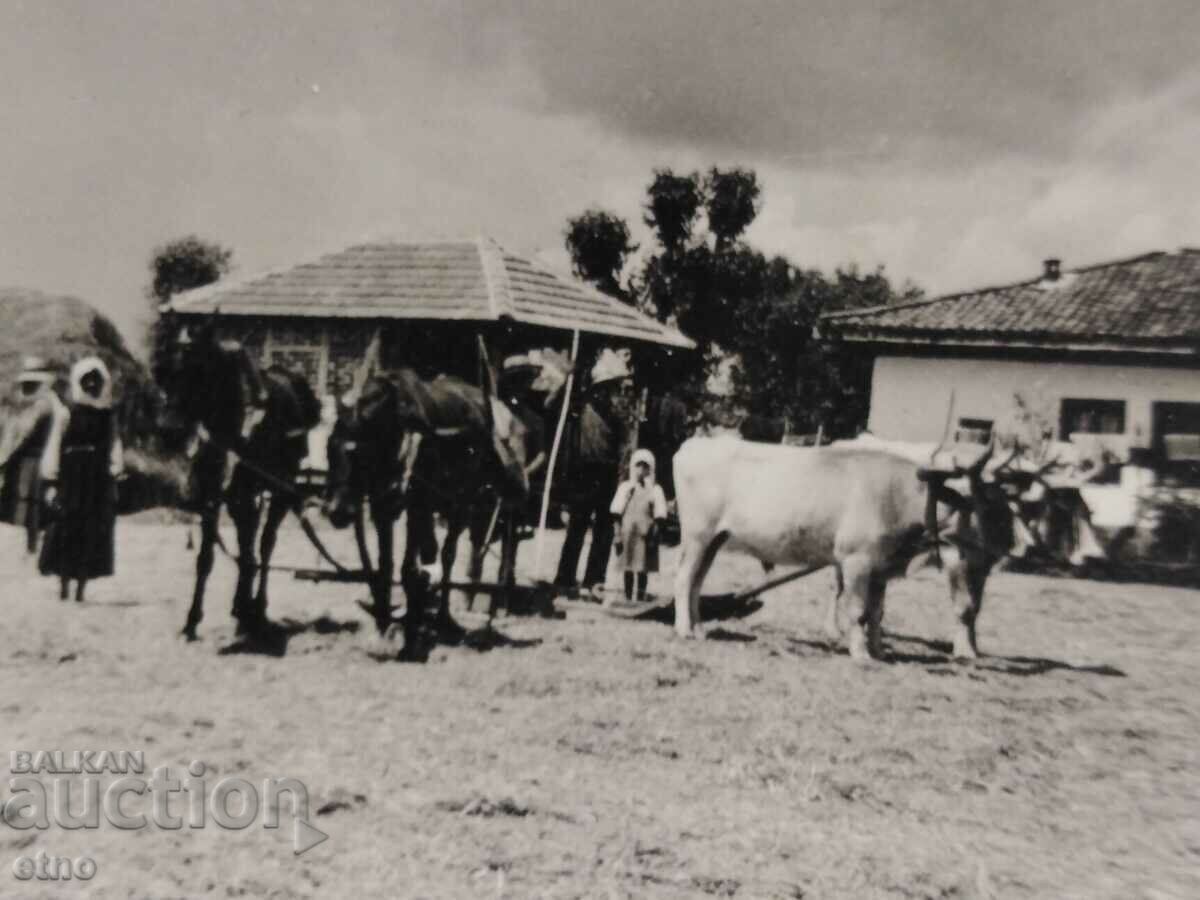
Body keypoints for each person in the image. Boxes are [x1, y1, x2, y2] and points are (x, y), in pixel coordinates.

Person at [38, 357, 124, 603]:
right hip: (71, 478)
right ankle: (64, 582)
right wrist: (52, 479)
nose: (91, 387)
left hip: (96, 480)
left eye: (96, 382)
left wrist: (114, 469)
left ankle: (81, 588)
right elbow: (55, 444)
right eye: (87, 382)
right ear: (79, 383)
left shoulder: (108, 416)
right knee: (67, 529)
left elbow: (114, 444)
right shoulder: (67, 413)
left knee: (91, 532)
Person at [554, 348, 631, 599]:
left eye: (614, 386)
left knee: (604, 530)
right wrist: (570, 376)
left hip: (607, 473)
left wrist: (622, 475)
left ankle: (594, 581)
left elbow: (623, 445)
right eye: (607, 386)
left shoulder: (617, 413)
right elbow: (554, 406)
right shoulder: (579, 406)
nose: (610, 391)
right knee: (577, 526)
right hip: (582, 472)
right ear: (596, 386)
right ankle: (565, 579)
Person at [0, 357, 65, 554]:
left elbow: (24, 434)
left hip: (33, 459)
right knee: (30, 501)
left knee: (29, 501)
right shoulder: (45, 403)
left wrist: (4, 458)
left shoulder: (42, 405)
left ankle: (29, 547)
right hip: (34, 458)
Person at [610, 448, 668, 602]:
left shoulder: (655, 490)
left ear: (651, 468)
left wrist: (655, 532)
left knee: (643, 567)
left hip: (645, 534)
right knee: (628, 566)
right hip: (628, 532)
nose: (641, 470)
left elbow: (660, 514)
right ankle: (628, 596)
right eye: (638, 466)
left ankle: (641, 596)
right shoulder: (626, 488)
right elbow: (616, 512)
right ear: (632, 467)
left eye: (645, 466)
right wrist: (617, 535)